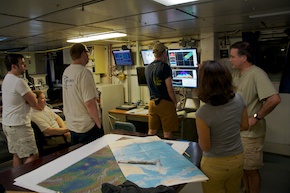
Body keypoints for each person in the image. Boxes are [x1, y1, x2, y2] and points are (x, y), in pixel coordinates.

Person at [230, 41, 281, 193]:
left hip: (250, 135)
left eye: (233, 57)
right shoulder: (237, 75)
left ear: (243, 57)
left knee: (251, 170)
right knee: (243, 168)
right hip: (238, 131)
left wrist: (256, 117)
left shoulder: (257, 73)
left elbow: (274, 99)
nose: (230, 60)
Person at [195, 60, 249, 193]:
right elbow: (245, 125)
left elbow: (206, 147)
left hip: (215, 163)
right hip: (237, 159)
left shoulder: (203, 113)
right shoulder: (239, 99)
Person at [62, 43, 104, 145]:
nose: (88, 56)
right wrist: (99, 124)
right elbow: (89, 103)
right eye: (87, 53)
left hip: (73, 126)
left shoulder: (67, 71)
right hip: (87, 127)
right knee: (97, 157)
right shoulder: (84, 73)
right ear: (83, 54)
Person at [1, 53, 39, 167]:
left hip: (8, 124)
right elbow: (34, 102)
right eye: (22, 64)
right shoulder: (19, 82)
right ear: (14, 66)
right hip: (19, 126)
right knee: (33, 154)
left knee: (17, 154)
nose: (24, 66)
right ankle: (24, 178)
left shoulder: (6, 79)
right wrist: (28, 100)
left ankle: (16, 181)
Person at [145, 43, 178, 139]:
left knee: (152, 132)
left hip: (152, 103)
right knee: (167, 134)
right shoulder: (165, 67)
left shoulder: (147, 68)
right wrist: (175, 102)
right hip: (165, 104)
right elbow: (169, 88)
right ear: (164, 53)